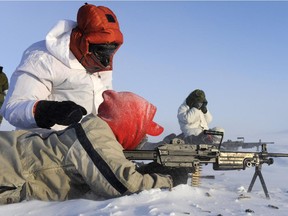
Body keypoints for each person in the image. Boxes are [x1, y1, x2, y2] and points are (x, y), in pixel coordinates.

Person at [0, 90, 189, 204]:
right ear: (130, 126)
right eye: (142, 132)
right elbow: (125, 186)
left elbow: (109, 170)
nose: (143, 138)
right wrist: (169, 179)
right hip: (6, 170)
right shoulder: (97, 137)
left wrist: (144, 171)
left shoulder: (95, 131)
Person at [0, 3, 123, 131]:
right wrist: (49, 110)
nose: (105, 58)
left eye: (110, 51)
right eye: (100, 50)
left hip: (87, 144)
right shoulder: (43, 58)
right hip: (47, 145)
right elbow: (12, 107)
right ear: (82, 41)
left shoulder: (100, 63)